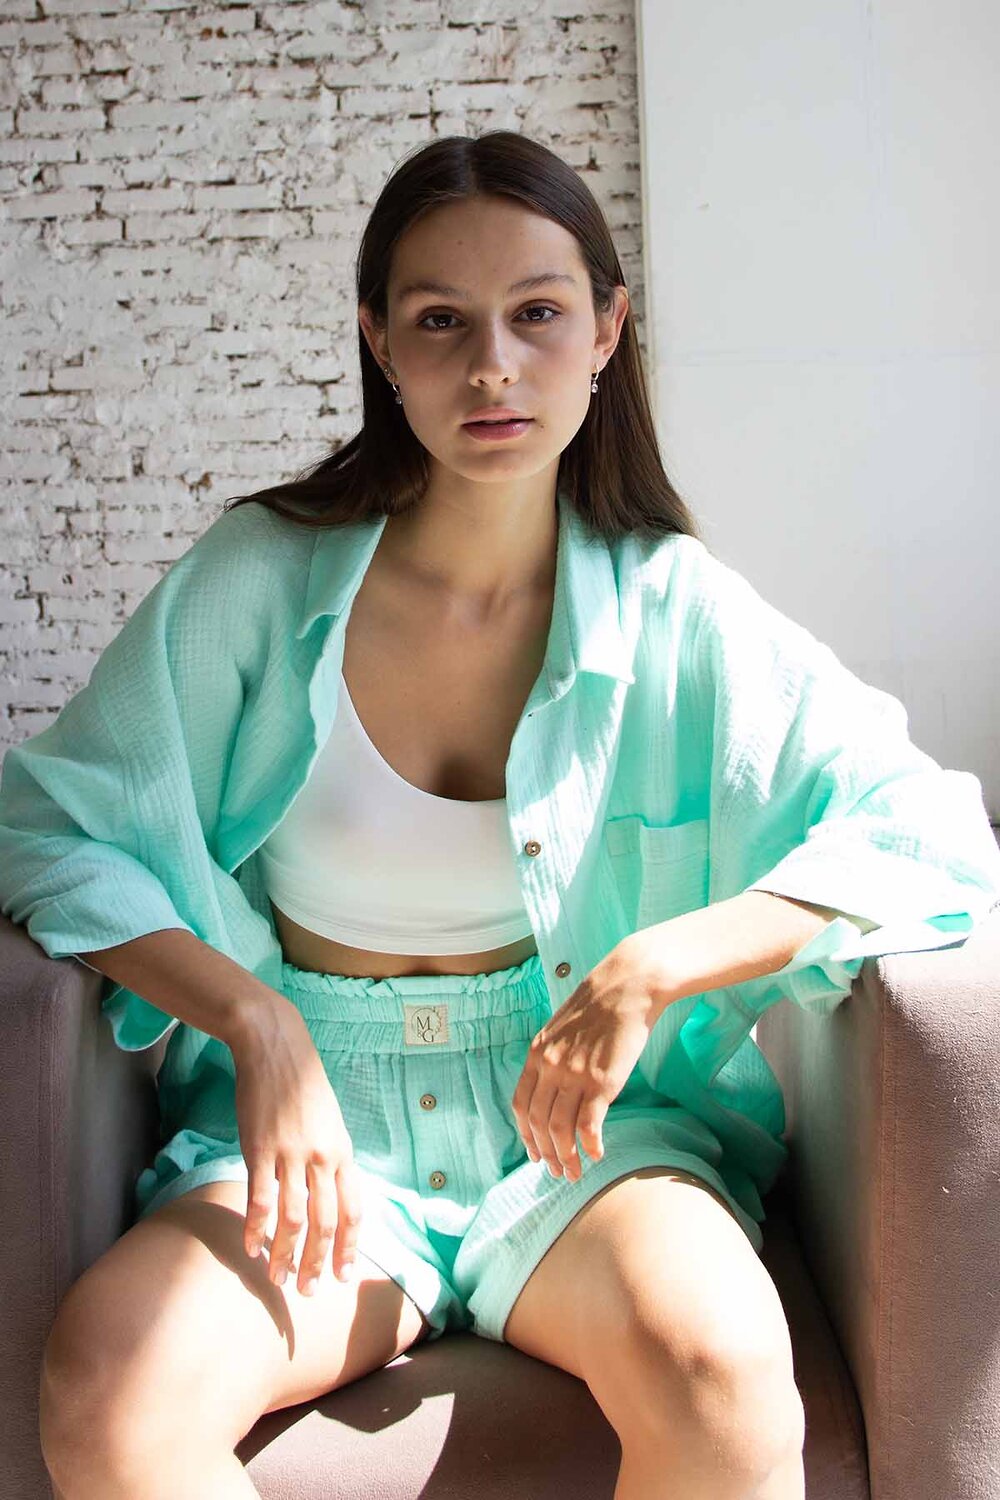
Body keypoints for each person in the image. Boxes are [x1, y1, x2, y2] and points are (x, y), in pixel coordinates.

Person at [2, 131, 998, 1500]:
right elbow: (46, 827)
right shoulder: (260, 579)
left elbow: (927, 832)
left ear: (606, 329)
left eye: (537, 313)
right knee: (112, 1392)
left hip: (588, 1135)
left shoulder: (672, 607)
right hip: (316, 1141)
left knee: (721, 1382)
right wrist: (254, 1020)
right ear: (378, 340)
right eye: (439, 322)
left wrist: (656, 965)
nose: (492, 366)